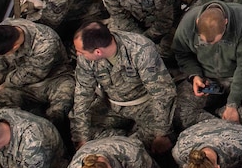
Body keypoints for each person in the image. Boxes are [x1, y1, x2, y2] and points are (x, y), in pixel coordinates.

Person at [71, 22, 177, 151]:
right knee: (77, 127)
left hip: (145, 105)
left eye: (81, 52)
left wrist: (161, 133)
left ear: (98, 52)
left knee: (156, 143)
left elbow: (162, 93)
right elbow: (83, 94)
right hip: (111, 104)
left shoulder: (140, 49)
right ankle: (125, 138)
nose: (78, 54)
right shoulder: (86, 58)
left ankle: (125, 141)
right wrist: (83, 138)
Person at [172, 1, 242, 127]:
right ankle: (222, 123)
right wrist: (195, 75)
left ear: (226, 22)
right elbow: (181, 54)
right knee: (178, 112)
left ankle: (221, 114)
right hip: (207, 79)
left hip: (238, 77)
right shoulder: (188, 22)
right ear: (197, 22)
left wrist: (232, 104)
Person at [0, 19, 74, 123]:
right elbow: (2, 58)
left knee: (60, 109)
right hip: (22, 84)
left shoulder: (45, 44)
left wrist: (5, 85)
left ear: (15, 46)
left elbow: (32, 74)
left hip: (55, 79)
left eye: (6, 53)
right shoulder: (6, 27)